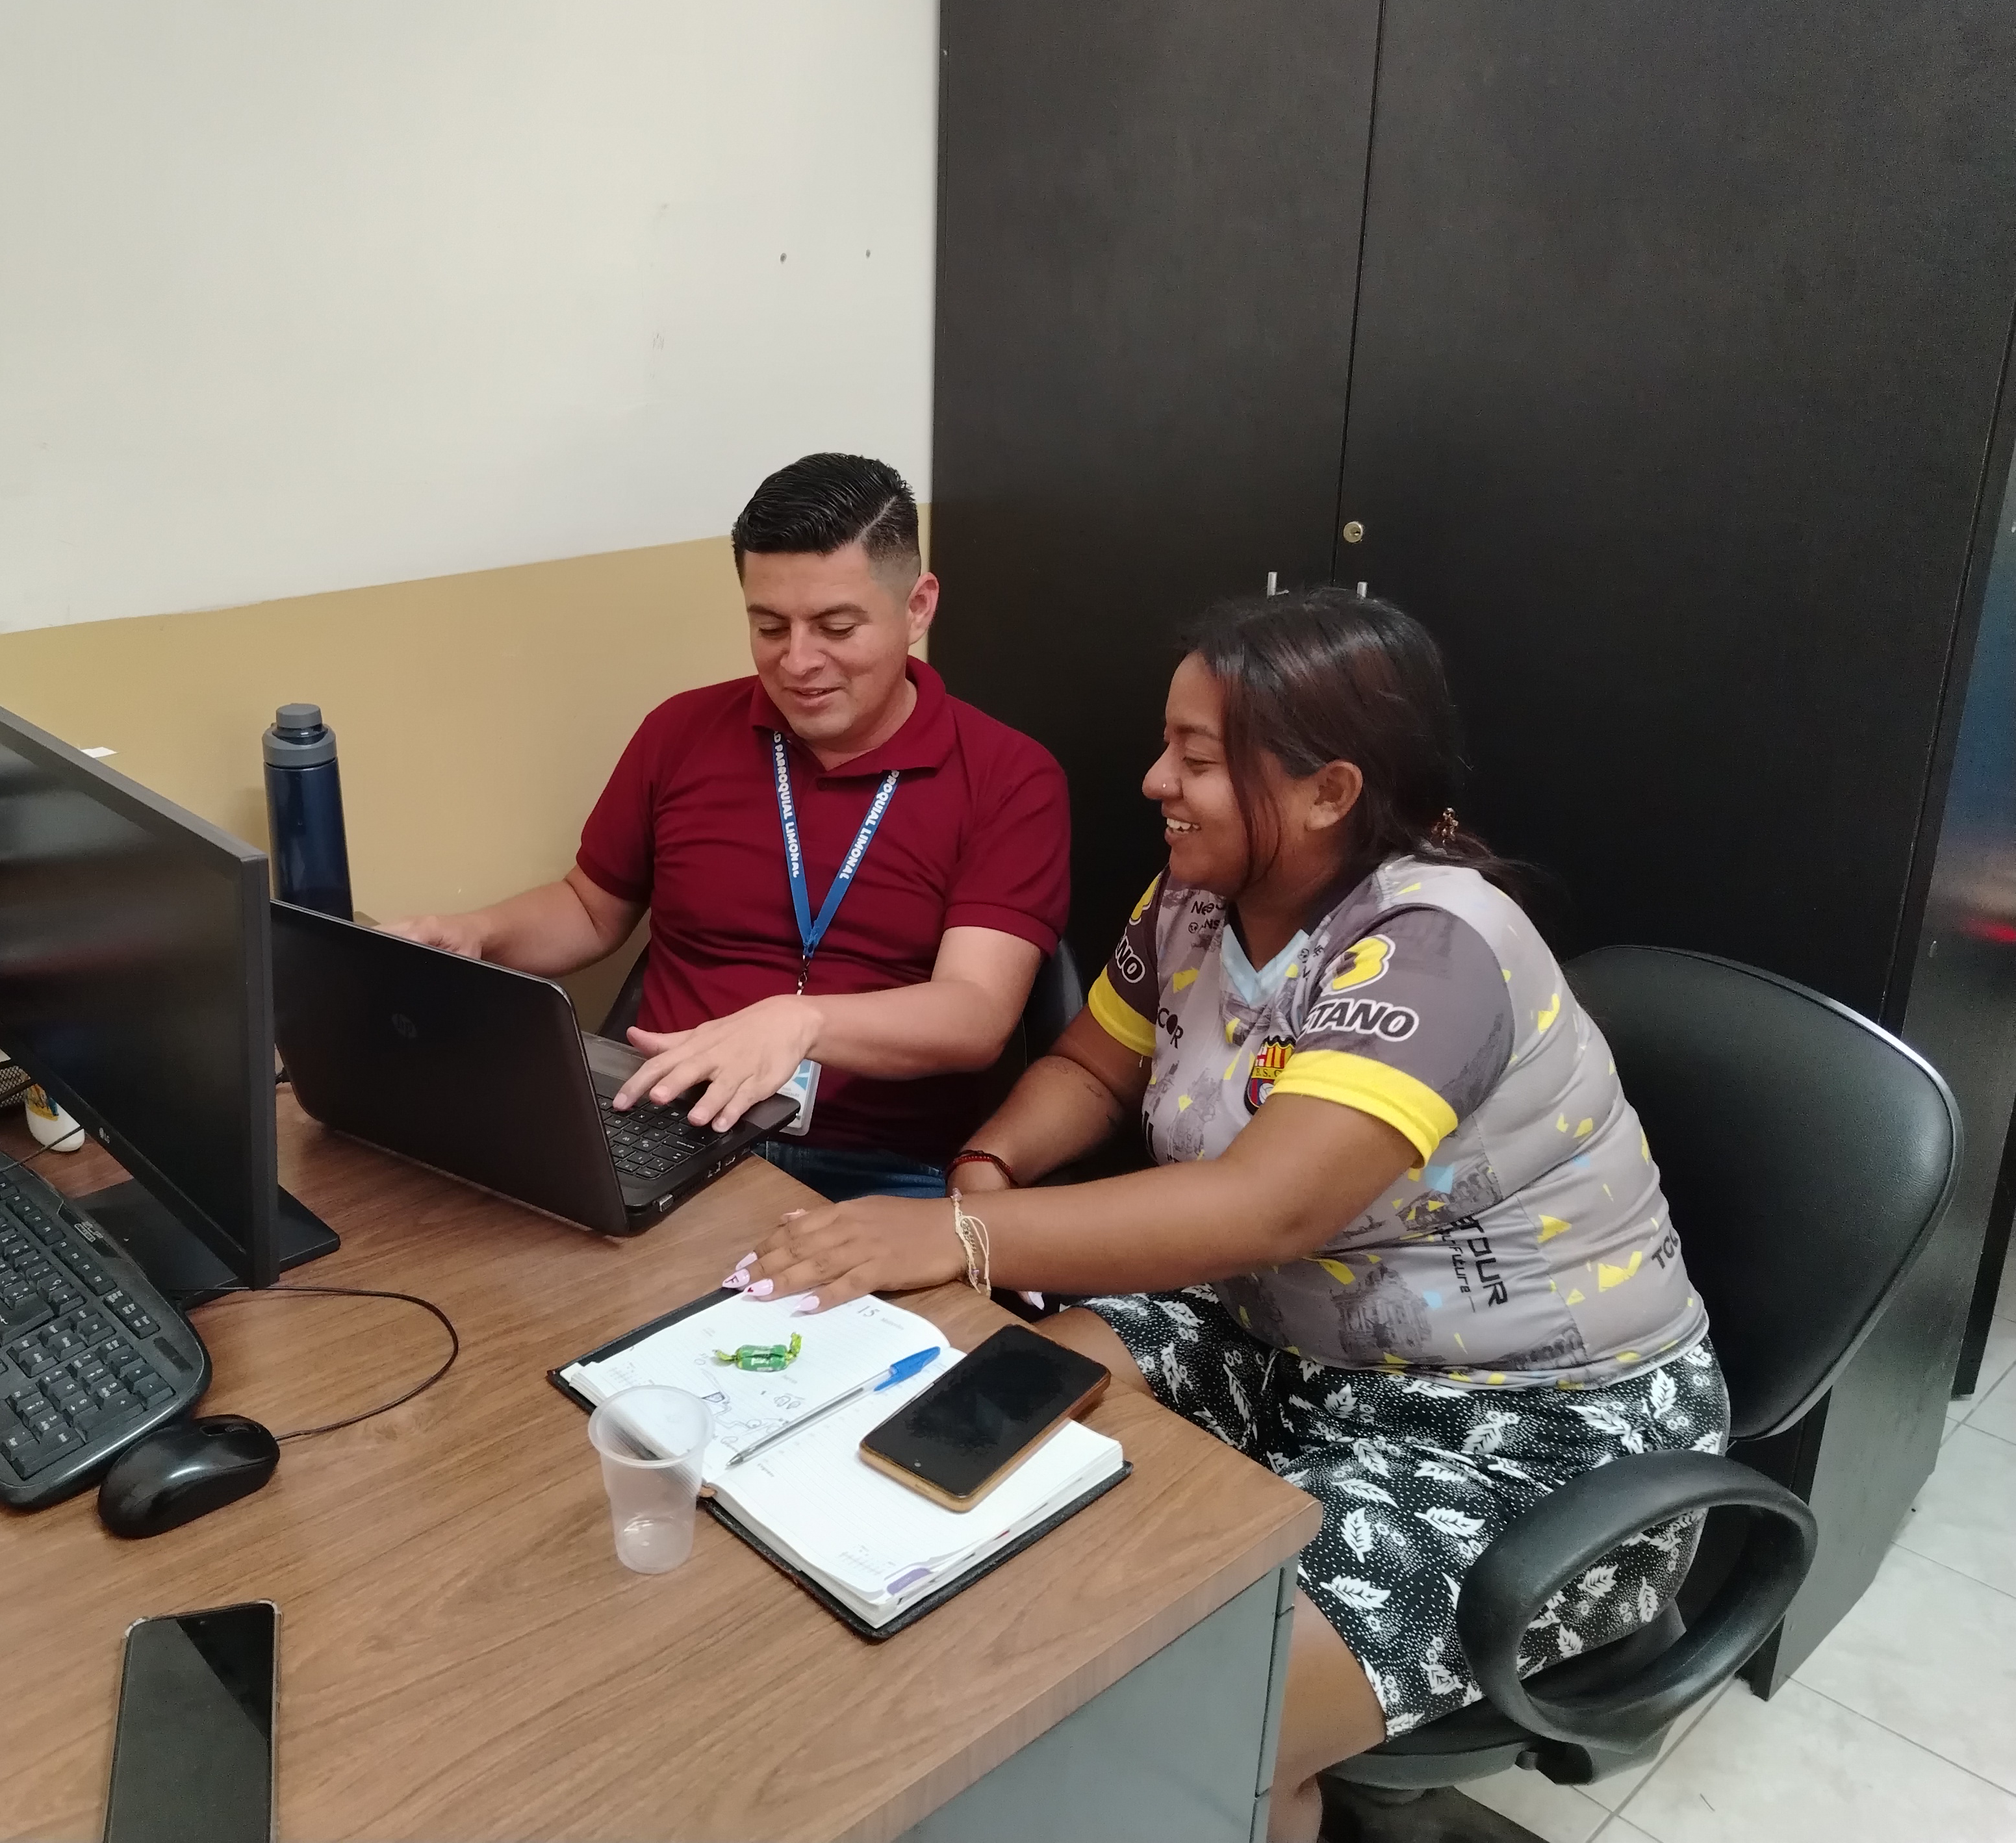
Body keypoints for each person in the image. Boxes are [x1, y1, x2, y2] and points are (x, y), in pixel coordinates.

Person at [726, 589, 1725, 1843]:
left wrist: (961, 1235)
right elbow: (1093, 1070)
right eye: (1169, 746)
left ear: (1328, 792)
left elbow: (1269, 1206)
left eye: (1197, 759)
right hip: (1279, 1334)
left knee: (1201, 1720)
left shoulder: (1436, 949)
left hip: (1534, 1425)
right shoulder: (1197, 902)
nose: (1156, 781)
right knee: (947, 1435)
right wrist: (988, 1163)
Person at [385, 452, 1070, 1201]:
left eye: (836, 627)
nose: (798, 662)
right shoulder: (681, 732)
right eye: (769, 626)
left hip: (874, 1166)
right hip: (665, 1129)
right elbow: (588, 908)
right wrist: (476, 934)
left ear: (917, 607)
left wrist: (800, 1023)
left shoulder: (1010, 776)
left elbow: (974, 1013)